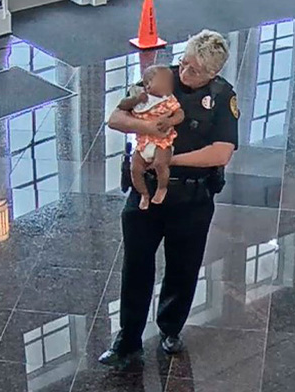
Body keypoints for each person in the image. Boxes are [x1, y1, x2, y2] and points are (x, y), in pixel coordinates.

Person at [99, 29, 239, 368]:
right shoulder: (159, 79)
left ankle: (170, 328)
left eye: (195, 71)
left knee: (183, 267)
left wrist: (170, 159)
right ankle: (128, 338)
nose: (185, 73)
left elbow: (221, 152)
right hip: (145, 192)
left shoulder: (222, 97)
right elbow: (116, 117)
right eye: (185, 63)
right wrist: (148, 132)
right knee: (137, 266)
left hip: (192, 197)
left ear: (213, 74)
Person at [117, 65, 185, 210]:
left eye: (170, 82)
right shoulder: (140, 96)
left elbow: (180, 114)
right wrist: (135, 99)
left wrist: (170, 121)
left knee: (161, 163)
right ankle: (144, 194)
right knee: (135, 168)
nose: (169, 85)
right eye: (164, 81)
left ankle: (162, 188)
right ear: (148, 84)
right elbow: (122, 106)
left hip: (162, 142)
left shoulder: (168, 100)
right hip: (143, 143)